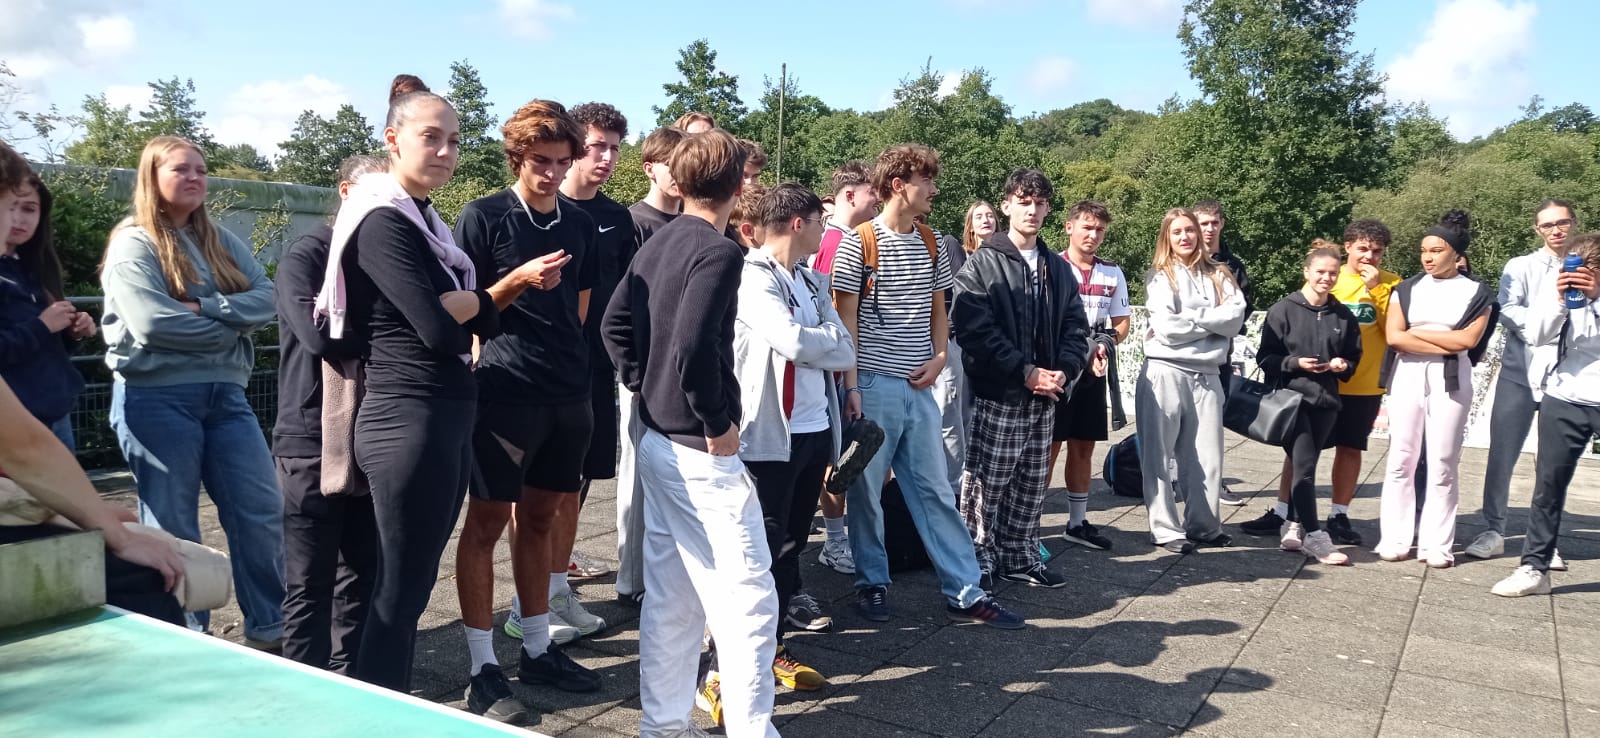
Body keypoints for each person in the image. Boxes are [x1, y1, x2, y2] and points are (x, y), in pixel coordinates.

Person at [317, 75, 499, 691]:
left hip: (443, 413)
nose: (446, 151)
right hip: (409, 418)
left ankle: (379, 698)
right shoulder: (382, 221)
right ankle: (377, 707)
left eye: (455, 139)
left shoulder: (426, 221)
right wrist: (477, 302)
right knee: (400, 587)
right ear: (393, 139)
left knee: (413, 585)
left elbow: (473, 319)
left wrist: (469, 304)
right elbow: (440, 332)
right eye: (431, 137)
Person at [601, 128, 780, 738]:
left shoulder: (661, 238)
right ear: (736, 185)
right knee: (749, 600)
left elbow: (613, 324)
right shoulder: (719, 251)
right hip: (699, 449)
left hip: (657, 438)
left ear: (679, 179)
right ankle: (751, 730)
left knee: (673, 594)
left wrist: (643, 384)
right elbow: (694, 347)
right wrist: (717, 421)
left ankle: (664, 725)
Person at [100, 134, 285, 647]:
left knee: (260, 510)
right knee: (173, 526)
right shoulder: (134, 243)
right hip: (156, 399)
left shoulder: (219, 240)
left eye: (201, 169)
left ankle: (271, 627)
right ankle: (185, 637)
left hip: (227, 397)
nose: (195, 177)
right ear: (152, 177)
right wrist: (232, 328)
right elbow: (151, 323)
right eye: (181, 169)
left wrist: (207, 308)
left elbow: (268, 297)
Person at [831, 144, 1024, 629]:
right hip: (872, 384)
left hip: (920, 386)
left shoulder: (933, 241)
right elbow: (845, 321)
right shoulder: (859, 243)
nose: (934, 189)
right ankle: (872, 583)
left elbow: (941, 308)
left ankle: (965, 591)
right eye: (927, 181)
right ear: (899, 185)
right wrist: (851, 388)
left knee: (935, 490)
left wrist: (939, 358)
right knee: (866, 494)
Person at [451, 99, 602, 722]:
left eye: (563, 162)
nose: (553, 173)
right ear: (517, 157)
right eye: (541, 161)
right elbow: (465, 310)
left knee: (541, 520)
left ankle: (538, 648)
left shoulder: (580, 223)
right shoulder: (483, 216)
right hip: (505, 391)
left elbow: (580, 310)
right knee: (486, 523)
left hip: (568, 392)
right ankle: (481, 668)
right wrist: (516, 281)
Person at [719, 182, 856, 707]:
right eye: (820, 220)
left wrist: (818, 341)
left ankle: (773, 647)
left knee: (792, 544)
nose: (825, 229)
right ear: (798, 223)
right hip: (768, 436)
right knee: (758, 549)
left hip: (814, 430)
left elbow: (844, 349)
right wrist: (820, 340)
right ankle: (727, 661)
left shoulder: (810, 278)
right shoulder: (753, 276)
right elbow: (795, 342)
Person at [953, 169, 1093, 588]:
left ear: (1048, 209)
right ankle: (975, 562)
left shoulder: (1058, 268)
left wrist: (1065, 370)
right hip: (999, 393)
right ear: (1007, 205)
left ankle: (1018, 557)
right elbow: (974, 329)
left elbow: (1076, 328)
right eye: (1024, 201)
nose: (1032, 210)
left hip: (1046, 394)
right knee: (985, 485)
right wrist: (1024, 371)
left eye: (1040, 203)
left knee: (1031, 485)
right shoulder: (983, 262)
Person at [272, 154, 385, 673]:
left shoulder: (378, 256)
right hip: (308, 439)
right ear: (345, 193)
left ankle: (350, 681)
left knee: (361, 574)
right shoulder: (308, 253)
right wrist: (387, 337)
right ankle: (303, 693)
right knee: (309, 583)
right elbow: (318, 335)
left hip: (366, 435)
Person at [1243, 220, 1398, 546]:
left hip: (1363, 383)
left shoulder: (1391, 284)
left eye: (1377, 251)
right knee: (1300, 451)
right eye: (1363, 249)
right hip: (1316, 386)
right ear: (1348, 248)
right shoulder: (1331, 277)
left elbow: (1396, 331)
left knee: (1351, 448)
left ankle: (1339, 514)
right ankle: (1285, 512)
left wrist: (1377, 291)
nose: (1369, 256)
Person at [1373, 211, 1495, 568]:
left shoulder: (1477, 292)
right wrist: (1445, 338)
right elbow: (1395, 337)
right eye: (1424, 250)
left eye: (1437, 250)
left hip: (1451, 377)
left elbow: (1468, 341)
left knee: (1443, 461)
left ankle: (1437, 543)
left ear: (1456, 254)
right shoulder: (1407, 289)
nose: (1428, 257)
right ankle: (1395, 537)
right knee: (1401, 457)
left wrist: (1418, 334)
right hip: (1407, 374)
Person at [1469, 199, 1580, 561]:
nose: (1556, 230)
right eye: (1547, 225)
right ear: (1537, 229)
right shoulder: (1520, 266)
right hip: (1519, 371)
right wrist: (1543, 327)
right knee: (1502, 455)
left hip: (1567, 377)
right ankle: (1494, 529)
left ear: (1574, 223)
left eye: (1562, 222)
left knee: (1554, 463)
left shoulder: (1587, 266)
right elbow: (1508, 309)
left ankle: (1544, 540)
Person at [1492, 232, 1600, 596]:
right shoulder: (1559, 289)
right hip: (1565, 396)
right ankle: (1534, 568)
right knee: (1548, 487)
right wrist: (1559, 301)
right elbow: (1537, 335)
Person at [555, 102, 634, 586]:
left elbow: (626, 295)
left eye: (615, 149)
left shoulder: (618, 218)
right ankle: (536, 584)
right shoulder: (542, 210)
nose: (606, 157)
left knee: (585, 472)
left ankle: (558, 565)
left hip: (599, 366)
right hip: (548, 367)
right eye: (597, 146)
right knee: (538, 484)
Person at [1135, 207, 1246, 555]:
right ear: (1167, 237)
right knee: (1158, 457)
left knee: (1207, 458)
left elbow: (1235, 319)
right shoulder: (1160, 276)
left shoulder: (1220, 274)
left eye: (1190, 230)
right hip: (1165, 371)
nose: (1185, 237)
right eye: (1177, 231)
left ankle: (1204, 525)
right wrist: (1211, 324)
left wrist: (1192, 318)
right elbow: (1167, 329)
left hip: (1208, 374)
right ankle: (1165, 529)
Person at [1254, 243, 1362, 565]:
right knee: (1303, 466)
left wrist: (1343, 365)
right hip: (1292, 401)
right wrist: (1295, 363)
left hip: (1326, 401)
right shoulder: (1283, 310)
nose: (1326, 278)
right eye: (1320, 272)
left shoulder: (1343, 315)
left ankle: (1292, 525)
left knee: (1306, 464)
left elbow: (1354, 356)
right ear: (1306, 272)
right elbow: (1265, 357)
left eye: (1333, 273)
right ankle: (1315, 536)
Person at [615, 125, 685, 607]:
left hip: (679, 368)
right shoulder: (634, 222)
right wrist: (634, 373)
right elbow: (621, 310)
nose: (679, 173)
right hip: (643, 370)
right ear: (650, 168)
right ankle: (633, 579)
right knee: (638, 473)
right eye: (671, 164)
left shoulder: (694, 223)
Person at [809, 160, 881, 579]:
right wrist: (848, 381)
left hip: (839, 370)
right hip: (832, 372)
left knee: (844, 457)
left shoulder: (848, 238)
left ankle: (840, 540)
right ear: (850, 195)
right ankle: (835, 543)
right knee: (836, 459)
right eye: (873, 192)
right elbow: (830, 313)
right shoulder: (836, 242)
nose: (878, 200)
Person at [1047, 200, 1128, 551]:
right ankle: (1028, 528)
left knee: (1083, 447)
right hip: (1057, 368)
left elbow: (1122, 324)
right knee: (1047, 449)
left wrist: (1104, 345)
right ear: (1069, 227)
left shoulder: (1112, 272)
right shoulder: (1051, 266)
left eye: (1100, 230)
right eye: (1087, 227)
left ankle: (1077, 523)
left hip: (1093, 372)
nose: (1093, 235)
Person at [2, 172, 93, 450]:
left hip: (55, 415)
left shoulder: (35, 268)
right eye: (10, 206)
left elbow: (46, 349)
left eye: (29, 208)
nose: (19, 218)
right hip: (13, 422)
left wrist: (72, 332)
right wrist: (42, 326)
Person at [1191, 200, 1253, 506]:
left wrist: (1215, 323)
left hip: (1218, 357)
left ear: (1222, 224)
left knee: (1212, 424)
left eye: (1214, 222)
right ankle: (1179, 479)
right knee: (1176, 424)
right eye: (1203, 223)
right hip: (1182, 355)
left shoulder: (1233, 266)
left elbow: (1242, 310)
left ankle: (1213, 483)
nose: (1209, 228)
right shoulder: (1182, 260)